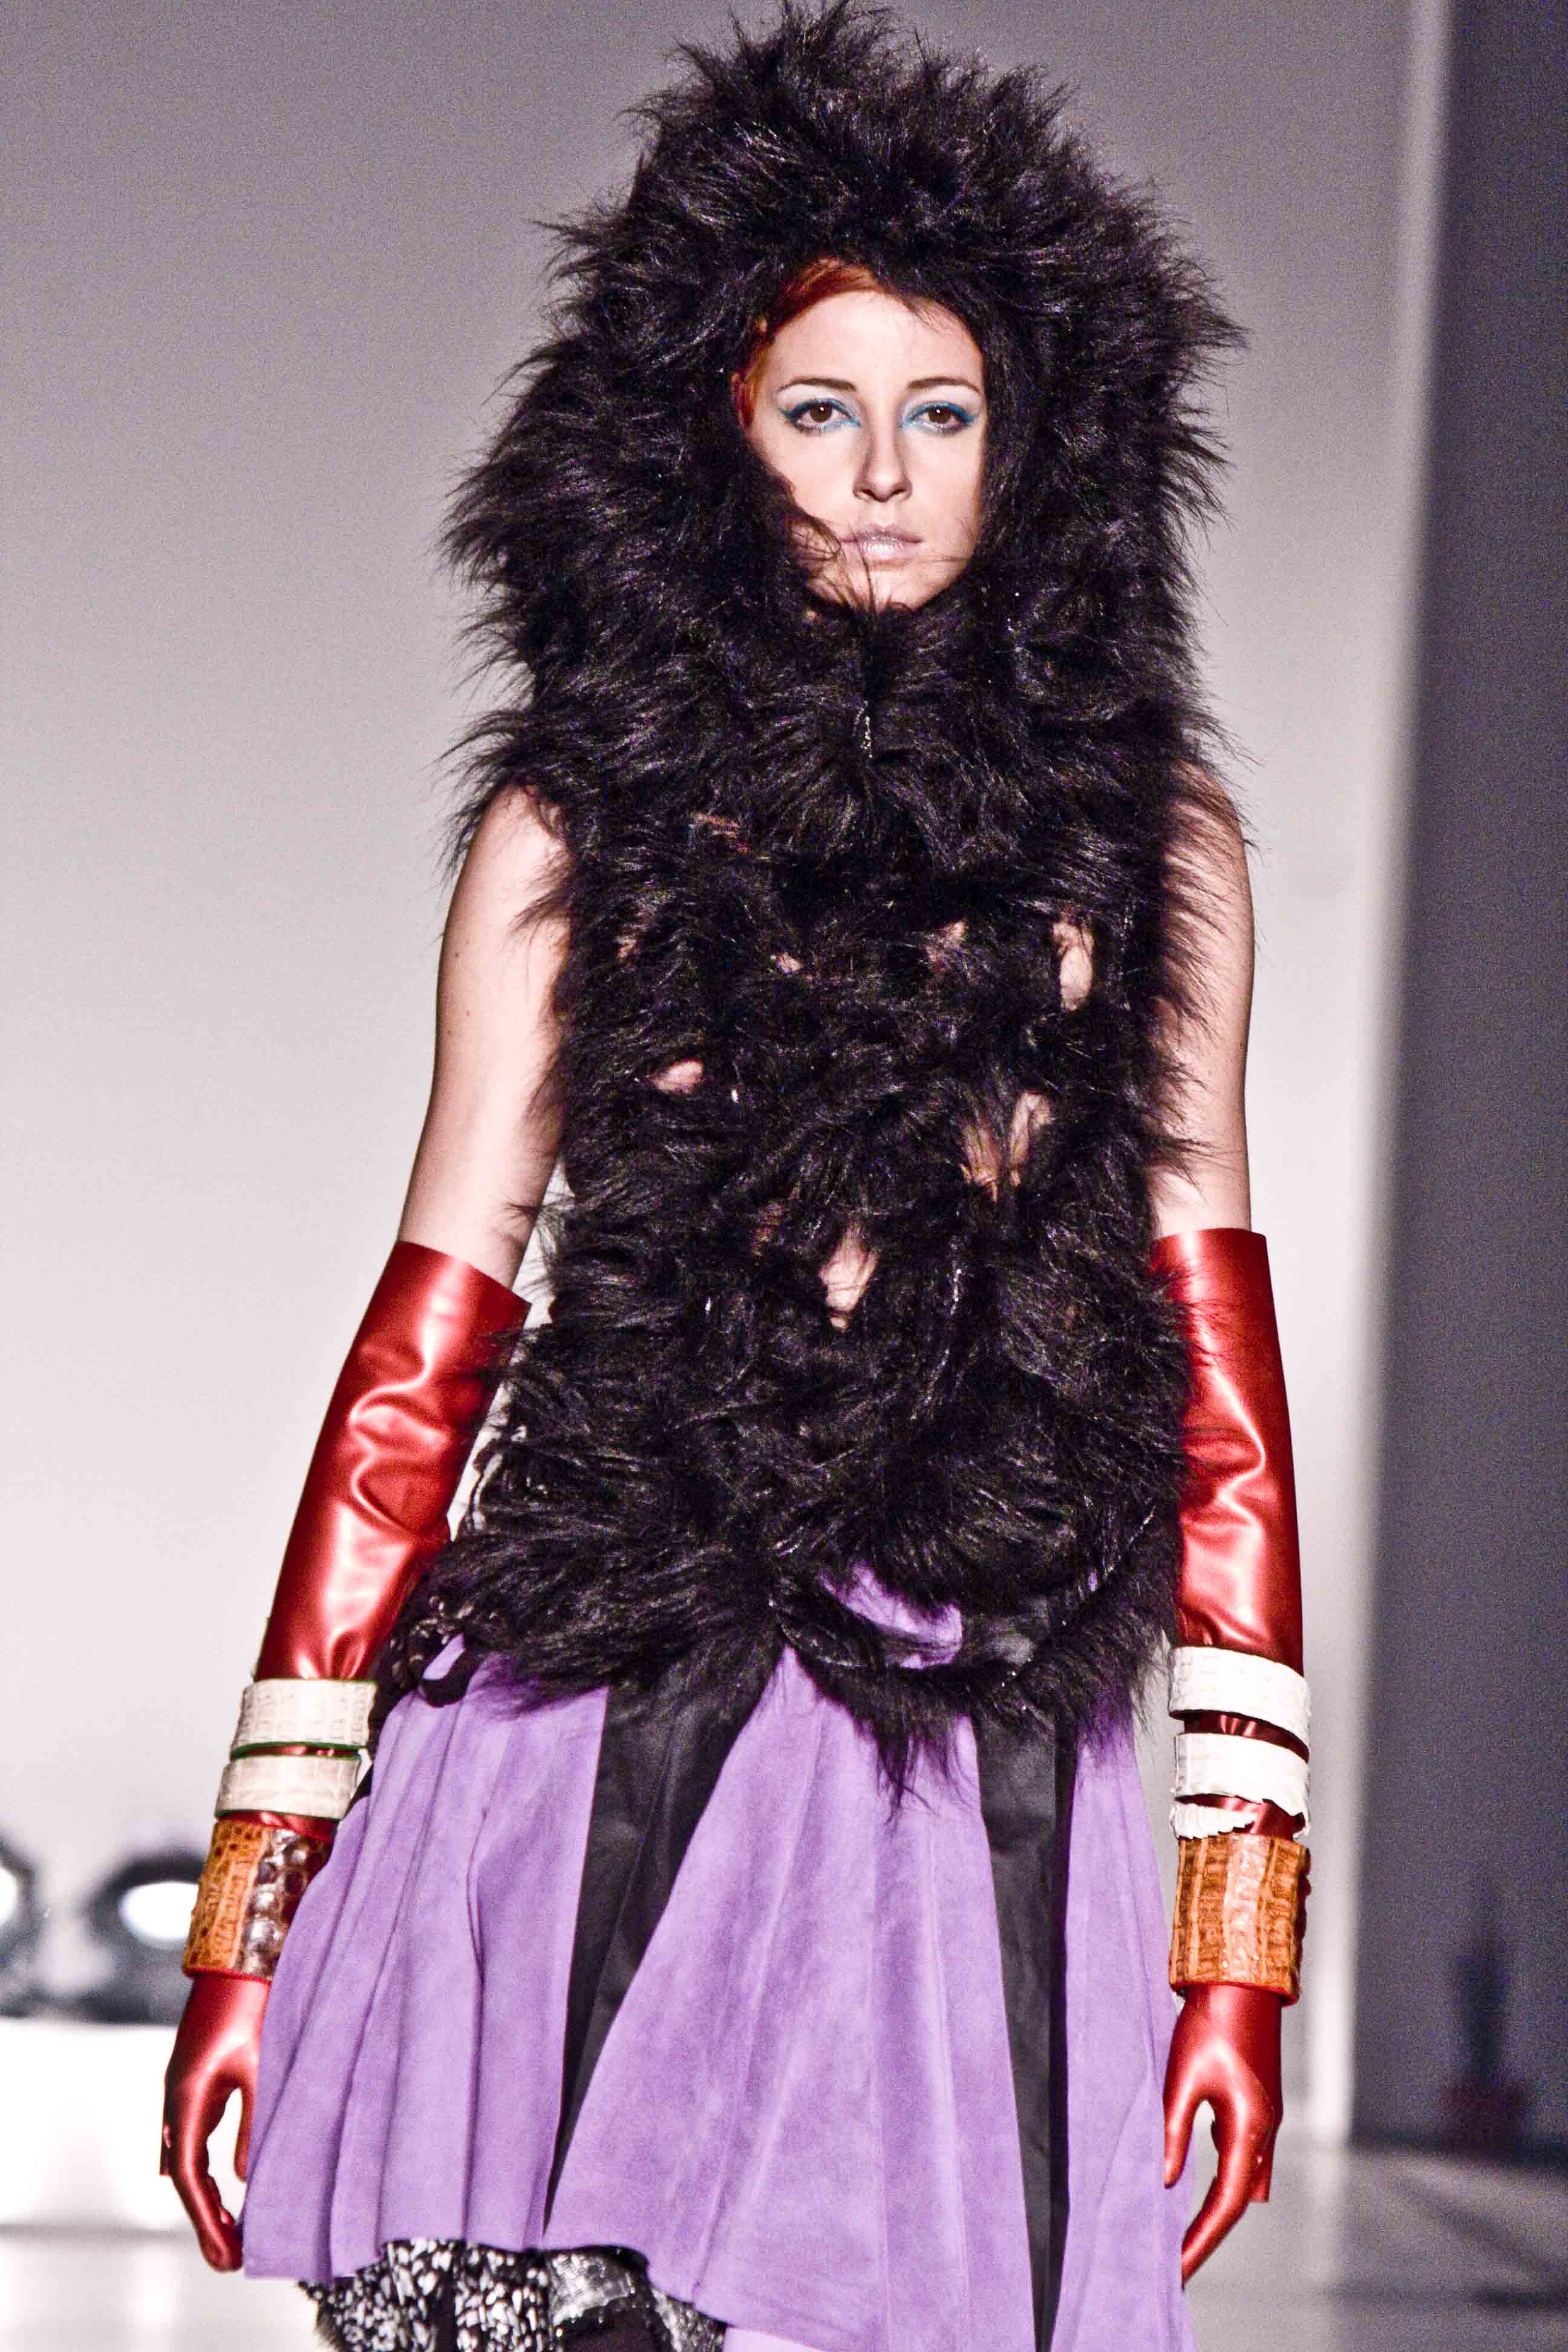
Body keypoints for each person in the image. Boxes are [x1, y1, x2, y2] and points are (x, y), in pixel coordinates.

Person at [162, 8, 1311, 2348]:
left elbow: (1217, 1384)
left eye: (942, 413)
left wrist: (1238, 1936)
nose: (881, 477)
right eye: (818, 410)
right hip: (595, 1696)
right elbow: (428, 1348)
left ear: (1036, 447)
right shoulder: (570, 832)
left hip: (967, 1742)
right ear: (714, 432)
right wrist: (253, 1900)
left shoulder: (1148, 854)